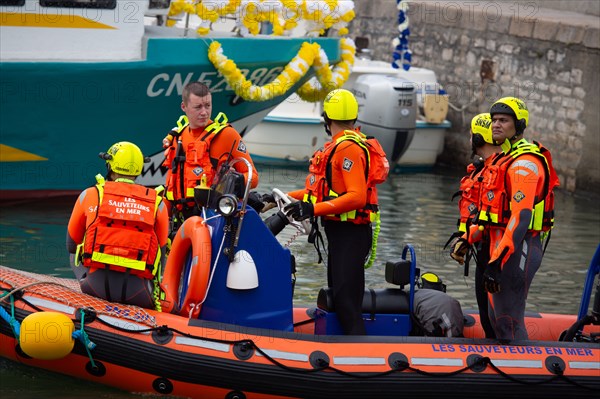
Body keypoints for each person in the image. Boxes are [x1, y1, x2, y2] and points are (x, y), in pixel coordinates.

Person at [283, 89, 386, 335]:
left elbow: (356, 196)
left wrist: (312, 209)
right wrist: (283, 197)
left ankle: (361, 361)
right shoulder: (340, 147)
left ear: (327, 118)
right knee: (340, 298)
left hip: (351, 234)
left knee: (347, 303)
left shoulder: (348, 149)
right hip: (341, 234)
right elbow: (317, 193)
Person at [472, 97, 559, 341]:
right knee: (494, 318)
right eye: (494, 120)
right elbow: (492, 215)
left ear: (518, 125)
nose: (496, 125)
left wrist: (497, 262)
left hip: (518, 248)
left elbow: (521, 217)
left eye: (503, 120)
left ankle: (524, 370)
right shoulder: (502, 159)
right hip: (500, 247)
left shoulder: (525, 163)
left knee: (508, 320)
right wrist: (469, 238)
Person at [67, 142, 169, 309]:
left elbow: (71, 245)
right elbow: (162, 253)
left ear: (110, 165)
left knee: (76, 251)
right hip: (140, 293)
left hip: (94, 288)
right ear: (139, 169)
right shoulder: (159, 204)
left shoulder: (90, 194)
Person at [162, 81, 259, 226]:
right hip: (181, 222)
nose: (204, 112)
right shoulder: (178, 137)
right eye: (198, 107)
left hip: (214, 220)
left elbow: (254, 178)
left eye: (208, 106)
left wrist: (230, 182)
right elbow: (171, 185)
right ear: (184, 107)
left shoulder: (227, 135)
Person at [448, 113, 500, 339]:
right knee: (486, 313)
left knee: (494, 315)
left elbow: (491, 219)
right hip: (484, 248)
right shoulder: (483, 170)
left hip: (495, 252)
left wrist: (466, 239)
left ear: (478, 137)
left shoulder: (495, 171)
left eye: (471, 135)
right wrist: (465, 239)